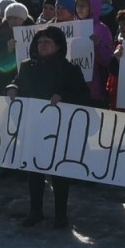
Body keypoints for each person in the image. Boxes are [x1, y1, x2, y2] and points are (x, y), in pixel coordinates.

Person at [7, 25, 91, 229]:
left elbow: (84, 97)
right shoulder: (28, 66)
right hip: (34, 126)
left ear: (58, 46)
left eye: (47, 42)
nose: (42, 45)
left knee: (59, 173)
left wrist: (63, 96)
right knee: (34, 172)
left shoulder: (70, 69)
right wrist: (12, 88)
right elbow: (17, 82)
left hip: (60, 129)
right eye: (40, 41)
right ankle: (35, 211)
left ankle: (61, 215)